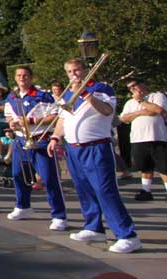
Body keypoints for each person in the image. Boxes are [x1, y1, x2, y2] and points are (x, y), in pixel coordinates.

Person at [49, 58, 140, 253]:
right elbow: (63, 119)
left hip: (96, 147)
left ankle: (127, 235)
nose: (73, 74)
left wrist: (86, 95)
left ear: (85, 70)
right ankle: (93, 227)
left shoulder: (102, 88)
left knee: (105, 190)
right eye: (69, 71)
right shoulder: (66, 94)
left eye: (77, 70)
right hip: (73, 148)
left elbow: (107, 111)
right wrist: (55, 137)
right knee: (84, 189)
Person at [3, 66, 67, 229]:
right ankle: (23, 207)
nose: (22, 78)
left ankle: (59, 215)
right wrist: (12, 123)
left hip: (40, 139)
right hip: (20, 140)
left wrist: (31, 121)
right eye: (19, 75)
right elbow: (9, 114)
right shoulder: (12, 97)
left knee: (48, 178)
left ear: (31, 77)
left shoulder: (42, 96)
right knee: (18, 175)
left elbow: (55, 116)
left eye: (25, 75)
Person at [119, 77, 167, 201]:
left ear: (143, 84)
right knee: (145, 166)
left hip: (156, 136)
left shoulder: (156, 96)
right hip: (139, 138)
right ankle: (146, 190)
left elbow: (158, 110)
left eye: (135, 85)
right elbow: (124, 118)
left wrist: (140, 102)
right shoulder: (130, 102)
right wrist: (140, 112)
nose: (133, 89)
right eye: (130, 87)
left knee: (163, 167)